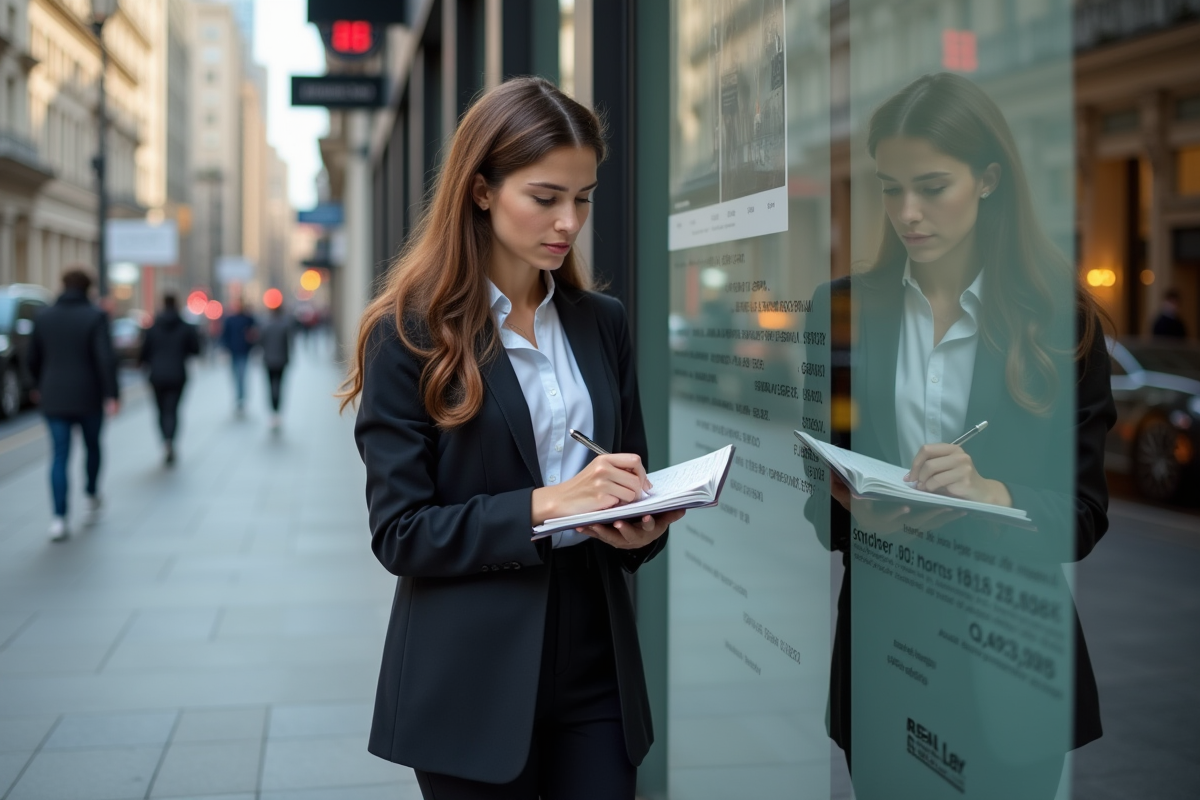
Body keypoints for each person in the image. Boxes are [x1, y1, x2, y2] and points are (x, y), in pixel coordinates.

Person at [340, 77, 681, 800]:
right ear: (483, 190)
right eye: (545, 196)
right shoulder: (405, 333)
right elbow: (401, 533)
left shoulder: (601, 322)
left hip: (596, 659)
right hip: (471, 673)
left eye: (583, 198)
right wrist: (549, 504)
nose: (569, 221)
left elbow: (627, 477)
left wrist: (638, 525)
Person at [803, 73, 1116, 797]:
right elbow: (818, 501)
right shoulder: (841, 314)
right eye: (889, 188)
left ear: (988, 180)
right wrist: (856, 509)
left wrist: (992, 494)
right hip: (886, 656)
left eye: (932, 186)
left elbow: (1084, 514)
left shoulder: (1054, 324)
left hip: (1009, 664)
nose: (907, 213)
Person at [27, 268, 120, 541]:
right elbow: (105, 358)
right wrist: (112, 395)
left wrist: (37, 386)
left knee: (59, 456)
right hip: (88, 395)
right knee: (92, 447)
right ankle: (91, 495)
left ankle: (59, 517)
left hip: (53, 395)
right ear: (88, 288)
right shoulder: (95, 316)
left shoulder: (44, 317)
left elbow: (33, 358)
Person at [140, 293, 201, 465]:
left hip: (157, 375)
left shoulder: (153, 328)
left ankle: (165, 441)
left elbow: (144, 352)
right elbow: (195, 349)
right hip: (177, 374)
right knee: (173, 410)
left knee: (160, 410)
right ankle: (170, 440)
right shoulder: (185, 327)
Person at [220, 297, 257, 413]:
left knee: (242, 375)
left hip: (244, 351)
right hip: (233, 352)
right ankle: (238, 396)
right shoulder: (229, 319)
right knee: (235, 376)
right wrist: (224, 349)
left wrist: (253, 346)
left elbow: (254, 333)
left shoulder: (248, 318)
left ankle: (241, 398)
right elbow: (225, 335)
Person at [259, 304, 291, 428]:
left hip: (268, 360)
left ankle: (273, 410)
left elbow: (261, 342)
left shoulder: (265, 325)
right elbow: (287, 344)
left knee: (270, 385)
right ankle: (277, 410)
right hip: (281, 360)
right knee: (279, 385)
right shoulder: (284, 325)